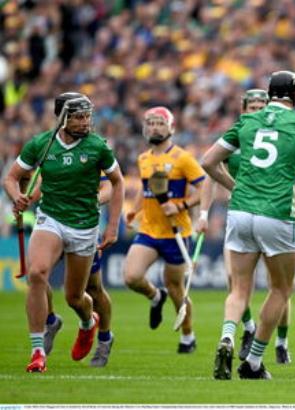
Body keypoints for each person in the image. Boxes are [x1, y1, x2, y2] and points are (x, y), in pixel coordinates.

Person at [202, 70, 295, 380]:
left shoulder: (248, 121)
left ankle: (227, 336)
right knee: (282, 288)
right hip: (277, 214)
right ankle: (252, 361)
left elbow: (208, 162)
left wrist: (233, 185)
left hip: (239, 213)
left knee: (239, 289)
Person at [3, 92, 124, 373]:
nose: (85, 122)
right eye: (78, 117)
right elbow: (11, 178)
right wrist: (17, 196)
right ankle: (37, 351)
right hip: (51, 218)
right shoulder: (41, 145)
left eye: (87, 116)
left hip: (84, 224)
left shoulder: (97, 147)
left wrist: (113, 225)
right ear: (62, 118)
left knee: (75, 297)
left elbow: (116, 183)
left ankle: (87, 322)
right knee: (36, 274)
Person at [206, 88, 294, 364]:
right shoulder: (238, 132)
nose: (257, 110)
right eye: (252, 106)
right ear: (243, 108)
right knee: (240, 282)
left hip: (267, 212)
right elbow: (210, 171)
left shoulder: (278, 134)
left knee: (275, 286)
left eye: (261, 105)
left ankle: (281, 341)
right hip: (246, 212)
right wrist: (206, 210)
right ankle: (247, 334)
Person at [123, 106, 206, 353]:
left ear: (171, 127)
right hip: (149, 230)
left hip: (176, 233)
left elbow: (204, 189)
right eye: (150, 123)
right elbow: (146, 188)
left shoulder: (183, 158)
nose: (154, 127)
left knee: (176, 288)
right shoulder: (143, 158)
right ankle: (155, 297)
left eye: (160, 123)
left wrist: (180, 204)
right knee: (131, 277)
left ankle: (188, 336)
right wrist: (134, 209)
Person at [43, 175, 115, 367]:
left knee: (93, 290)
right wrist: (22, 198)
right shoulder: (51, 147)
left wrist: (91, 199)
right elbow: (39, 183)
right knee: (36, 274)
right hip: (52, 224)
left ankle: (105, 338)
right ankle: (50, 320)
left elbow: (110, 186)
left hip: (83, 227)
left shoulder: (93, 148)